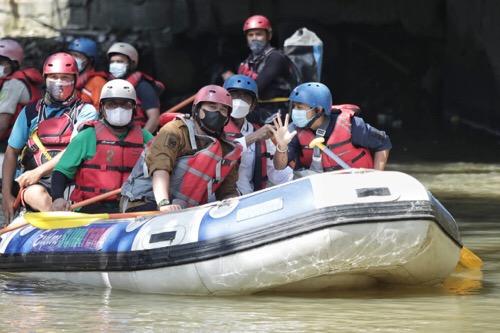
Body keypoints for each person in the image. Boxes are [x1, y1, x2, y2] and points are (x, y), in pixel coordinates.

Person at [1, 52, 98, 223]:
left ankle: (62, 221)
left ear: (75, 80)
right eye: (54, 77)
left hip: (72, 179)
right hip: (38, 185)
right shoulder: (31, 112)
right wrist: (7, 194)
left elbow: (74, 149)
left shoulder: (86, 111)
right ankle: (58, 219)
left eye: (65, 77)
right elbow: (11, 152)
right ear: (45, 79)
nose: (59, 83)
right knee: (34, 193)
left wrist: (38, 172)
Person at [50, 79, 153, 213]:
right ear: (102, 107)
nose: (119, 109)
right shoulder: (87, 136)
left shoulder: (144, 137)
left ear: (134, 109)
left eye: (125, 105)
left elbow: (162, 162)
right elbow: (61, 172)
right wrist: (57, 198)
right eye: (111, 104)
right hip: (92, 206)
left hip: (132, 206)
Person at [273, 82, 391, 172]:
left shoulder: (351, 126)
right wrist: (281, 146)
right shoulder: (293, 130)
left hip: (356, 184)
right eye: (294, 107)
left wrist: (376, 176)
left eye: (300, 107)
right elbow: (279, 166)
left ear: (318, 110)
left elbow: (383, 143)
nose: (295, 111)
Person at [223, 74, 293, 194]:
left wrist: (281, 147)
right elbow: (221, 154)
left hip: (248, 200)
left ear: (252, 105)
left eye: (246, 97)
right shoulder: (213, 128)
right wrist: (255, 137)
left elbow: (278, 174)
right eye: (235, 95)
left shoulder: (260, 133)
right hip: (217, 202)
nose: (240, 101)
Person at [224, 15, 297, 125]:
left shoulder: (276, 58)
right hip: (257, 110)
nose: (254, 38)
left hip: (276, 112)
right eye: (250, 35)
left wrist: (232, 81)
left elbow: (257, 87)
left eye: (258, 34)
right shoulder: (248, 60)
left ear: (269, 36)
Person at [107, 42, 163, 133]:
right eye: (112, 62)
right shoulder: (109, 86)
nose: (115, 65)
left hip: (137, 136)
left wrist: (141, 140)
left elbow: (154, 119)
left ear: (131, 64)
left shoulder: (143, 86)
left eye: (120, 61)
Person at [0, 39, 43, 140]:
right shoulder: (10, 81)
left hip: (15, 141)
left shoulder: (13, 84)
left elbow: (2, 125)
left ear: (14, 64)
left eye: (1, 62)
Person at [67, 37, 107, 109]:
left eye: (77, 56)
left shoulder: (97, 81)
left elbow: (100, 111)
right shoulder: (69, 78)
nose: (73, 59)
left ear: (90, 60)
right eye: (71, 55)